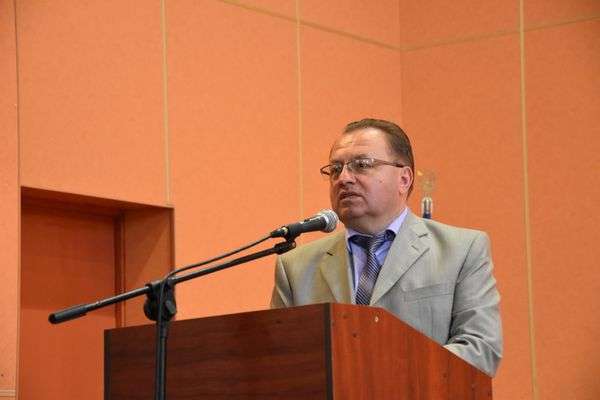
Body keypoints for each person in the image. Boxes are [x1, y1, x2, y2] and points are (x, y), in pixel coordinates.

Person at [270, 118, 502, 376]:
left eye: (362, 165)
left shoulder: (461, 250)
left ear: (404, 179)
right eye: (335, 169)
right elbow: (280, 364)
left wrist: (384, 373)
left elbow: (480, 350)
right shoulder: (296, 268)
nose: (343, 178)